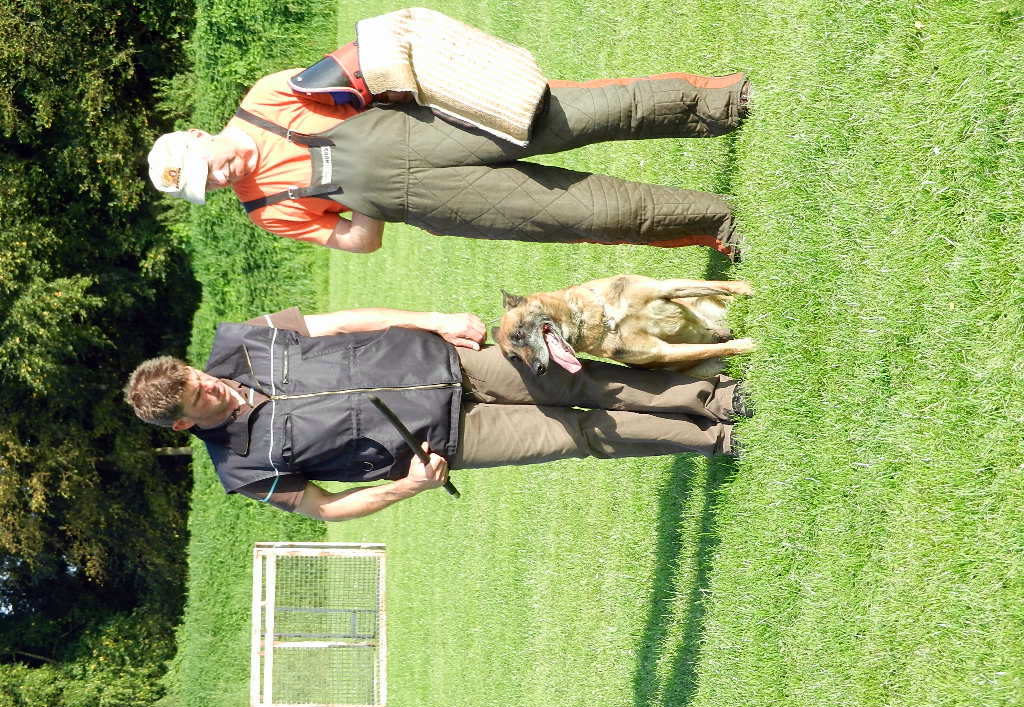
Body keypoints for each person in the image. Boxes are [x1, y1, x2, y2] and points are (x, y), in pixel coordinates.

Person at [124, 307, 750, 522]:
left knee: (577, 378)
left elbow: (340, 323)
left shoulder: (240, 342)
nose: (215, 386)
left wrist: (434, 321)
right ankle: (713, 440)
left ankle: (712, 398)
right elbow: (325, 509)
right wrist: (411, 485)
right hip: (447, 439)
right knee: (581, 433)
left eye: (200, 375)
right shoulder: (241, 470)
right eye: (201, 398)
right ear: (183, 424)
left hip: (449, 363)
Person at [146, 40, 751, 257]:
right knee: (591, 215)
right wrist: (367, 198)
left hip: (448, 124)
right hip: (447, 200)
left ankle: (724, 103)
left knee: (594, 110)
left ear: (199, 137)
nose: (218, 178)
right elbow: (357, 241)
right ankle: (719, 224)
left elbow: (363, 74)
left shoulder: (265, 99)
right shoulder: (267, 211)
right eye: (207, 186)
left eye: (206, 167)